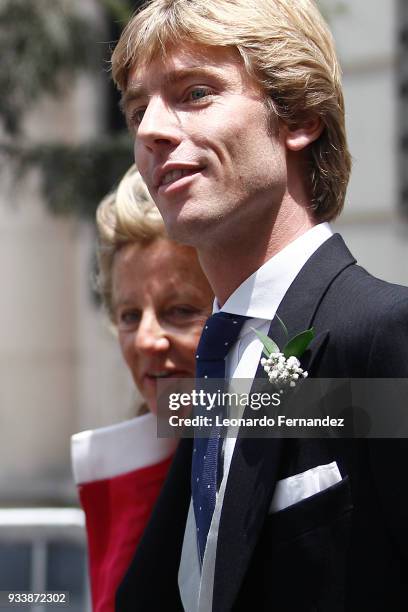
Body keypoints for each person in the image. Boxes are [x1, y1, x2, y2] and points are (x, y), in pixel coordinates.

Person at [111, 1, 408, 611]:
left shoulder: (384, 338)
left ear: (298, 115)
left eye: (194, 92)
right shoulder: (216, 366)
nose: (149, 131)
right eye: (138, 110)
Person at [71, 165, 213, 612]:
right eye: (130, 316)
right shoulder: (122, 469)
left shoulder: (295, 416)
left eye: (180, 310)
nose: (147, 340)